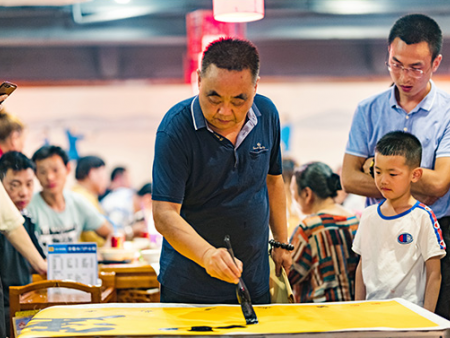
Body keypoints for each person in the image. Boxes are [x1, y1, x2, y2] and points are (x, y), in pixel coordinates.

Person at [152, 37, 291, 304]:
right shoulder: (175, 129)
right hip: (189, 284)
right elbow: (164, 214)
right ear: (199, 81)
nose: (224, 111)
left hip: (254, 278)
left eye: (239, 100)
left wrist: (281, 242)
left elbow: (273, 181)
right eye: (213, 97)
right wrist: (206, 255)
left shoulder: (267, 113)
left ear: (255, 88)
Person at [341, 14, 450, 319]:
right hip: (380, 229)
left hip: (439, 230)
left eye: (416, 67)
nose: (404, 76)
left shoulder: (447, 113)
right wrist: (412, 179)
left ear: (435, 63)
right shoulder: (368, 110)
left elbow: (441, 183)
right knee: (377, 318)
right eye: (396, 64)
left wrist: (374, 167)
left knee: (433, 320)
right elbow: (348, 178)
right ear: (388, 53)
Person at [353, 131, 445, 312]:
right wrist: (357, 308)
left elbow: (434, 273)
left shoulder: (423, 216)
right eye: (377, 172)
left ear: (415, 175)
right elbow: (362, 265)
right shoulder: (369, 215)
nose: (383, 180)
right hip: (371, 312)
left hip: (410, 315)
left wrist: (427, 319)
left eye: (393, 174)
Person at [288, 162, 359, 303]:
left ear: (307, 194)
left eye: (293, 193)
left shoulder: (309, 228)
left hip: (319, 314)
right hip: (353, 310)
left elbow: (290, 273)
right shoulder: (354, 220)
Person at [27, 145, 112, 251]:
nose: (49, 177)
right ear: (35, 174)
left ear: (68, 169)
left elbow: (110, 233)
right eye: (43, 172)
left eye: (55, 170)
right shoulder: (29, 207)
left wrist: (101, 255)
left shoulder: (77, 202)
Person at [0, 151, 46, 335]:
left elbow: (40, 262)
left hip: (26, 301)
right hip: (5, 305)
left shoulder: (28, 218)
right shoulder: (5, 222)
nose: (24, 192)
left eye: (29, 184)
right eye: (15, 185)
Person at [72, 155, 109, 246]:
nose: (106, 181)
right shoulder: (82, 197)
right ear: (92, 173)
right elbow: (93, 237)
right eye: (103, 175)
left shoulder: (81, 194)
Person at [100, 166, 135, 232]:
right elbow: (116, 226)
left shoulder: (106, 194)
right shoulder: (122, 195)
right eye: (127, 178)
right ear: (118, 178)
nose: (131, 182)